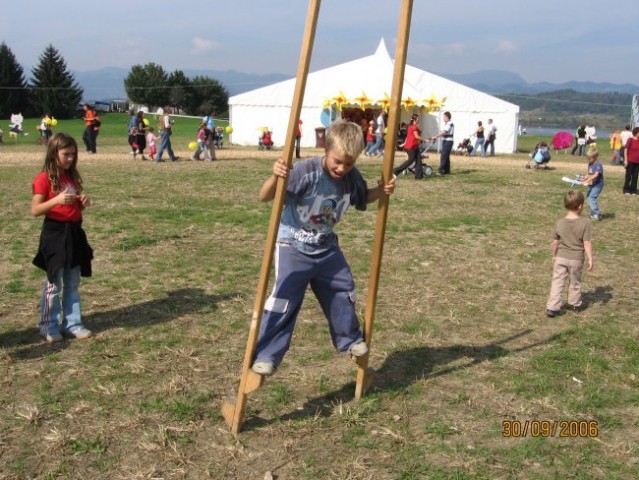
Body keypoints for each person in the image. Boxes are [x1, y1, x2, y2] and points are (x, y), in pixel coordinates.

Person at [251, 120, 396, 376]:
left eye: (349, 163)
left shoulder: (351, 178)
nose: (342, 168)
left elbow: (364, 198)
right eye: (337, 161)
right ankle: (266, 354)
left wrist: (381, 191)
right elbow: (265, 197)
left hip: (326, 246)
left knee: (343, 288)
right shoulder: (306, 171)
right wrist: (276, 176)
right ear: (326, 150)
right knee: (284, 298)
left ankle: (350, 339)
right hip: (293, 244)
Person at [31, 133, 94, 342]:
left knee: (72, 281)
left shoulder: (71, 177)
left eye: (73, 155)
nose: (69, 159)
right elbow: (36, 209)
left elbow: (73, 210)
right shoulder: (43, 179)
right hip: (55, 234)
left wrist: (81, 203)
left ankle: (73, 324)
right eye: (65, 154)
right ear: (53, 153)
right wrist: (56, 199)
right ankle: (48, 325)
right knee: (53, 283)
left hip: (73, 233)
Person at [545, 190, 593, 318]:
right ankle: (575, 304)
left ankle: (552, 307)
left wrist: (554, 255)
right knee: (575, 282)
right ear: (580, 206)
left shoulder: (560, 222)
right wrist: (590, 259)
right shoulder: (585, 223)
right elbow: (587, 243)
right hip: (576, 259)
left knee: (557, 281)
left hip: (561, 257)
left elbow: (555, 242)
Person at [393, 114, 428, 179]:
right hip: (411, 147)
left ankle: (418, 176)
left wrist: (404, 144)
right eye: (418, 118)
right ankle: (395, 171)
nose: (419, 120)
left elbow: (408, 137)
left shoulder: (411, 126)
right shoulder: (413, 127)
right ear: (415, 119)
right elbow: (416, 136)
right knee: (410, 161)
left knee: (419, 160)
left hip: (415, 146)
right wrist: (425, 139)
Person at [581, 148, 604, 221]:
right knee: (588, 198)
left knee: (591, 198)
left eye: (589, 158)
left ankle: (597, 214)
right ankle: (594, 213)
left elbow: (596, 175)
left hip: (597, 185)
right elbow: (589, 173)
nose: (588, 160)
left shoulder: (598, 164)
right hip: (592, 184)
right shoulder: (590, 163)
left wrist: (587, 181)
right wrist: (583, 179)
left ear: (595, 157)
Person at [430, 111, 454, 175]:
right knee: (446, 156)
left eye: (444, 117)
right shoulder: (447, 124)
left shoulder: (449, 124)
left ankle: (441, 171)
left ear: (447, 117)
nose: (443, 118)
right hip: (446, 141)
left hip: (448, 141)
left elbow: (443, 132)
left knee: (443, 156)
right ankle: (447, 171)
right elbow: (443, 132)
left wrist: (435, 136)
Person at [622, 127, 639, 195]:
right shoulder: (630, 140)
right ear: (636, 133)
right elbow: (626, 150)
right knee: (628, 176)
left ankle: (633, 190)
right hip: (630, 161)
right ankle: (626, 189)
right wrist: (626, 160)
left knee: (635, 176)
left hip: (637, 162)